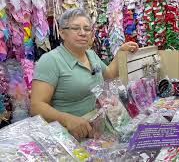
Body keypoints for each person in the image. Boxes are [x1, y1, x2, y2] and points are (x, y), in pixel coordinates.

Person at [30, 8, 139, 139]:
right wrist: (67, 119)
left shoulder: (91, 55)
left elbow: (109, 74)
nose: (83, 33)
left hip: (95, 130)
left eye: (87, 29)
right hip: (68, 135)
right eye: (76, 28)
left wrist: (121, 52)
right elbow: (36, 106)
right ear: (62, 33)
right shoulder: (50, 61)